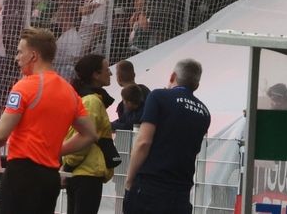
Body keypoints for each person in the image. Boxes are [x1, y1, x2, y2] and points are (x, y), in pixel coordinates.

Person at [0, 27, 97, 214]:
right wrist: (56, 149)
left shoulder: (25, 86)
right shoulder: (70, 92)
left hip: (21, 174)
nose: (16, 58)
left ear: (33, 56)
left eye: (20, 52)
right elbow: (90, 134)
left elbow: (0, 135)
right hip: (50, 177)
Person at [123, 59, 211, 214]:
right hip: (181, 191)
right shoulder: (204, 112)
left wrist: (129, 181)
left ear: (172, 76)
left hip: (150, 186)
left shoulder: (159, 97)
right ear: (196, 85)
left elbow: (143, 142)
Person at [63, 55, 116, 214]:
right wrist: (68, 166)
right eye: (107, 70)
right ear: (95, 74)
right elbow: (84, 139)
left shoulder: (84, 98)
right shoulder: (92, 101)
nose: (110, 74)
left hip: (81, 172)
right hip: (87, 173)